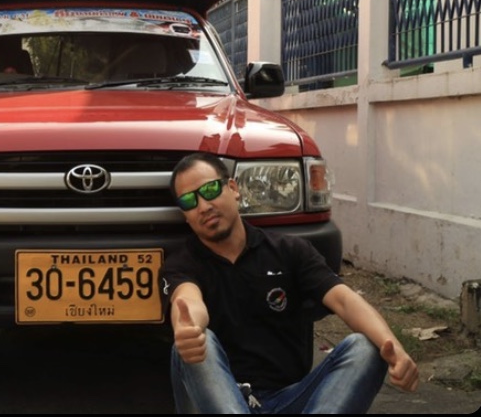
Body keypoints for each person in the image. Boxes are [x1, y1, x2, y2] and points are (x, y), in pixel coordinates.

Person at [160, 152, 419, 414]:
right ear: (186, 216)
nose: (203, 206)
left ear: (233, 188)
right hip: (221, 402)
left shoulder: (289, 251)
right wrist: (189, 327)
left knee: (367, 347)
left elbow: (344, 300)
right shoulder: (182, 264)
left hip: (290, 400)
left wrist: (395, 350)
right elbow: (188, 300)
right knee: (194, 344)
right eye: (190, 201)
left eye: (211, 189)